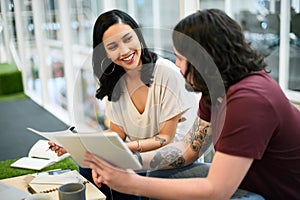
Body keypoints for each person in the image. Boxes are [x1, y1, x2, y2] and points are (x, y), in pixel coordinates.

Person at [84, 9, 300, 200]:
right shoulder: (216, 91)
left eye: (180, 58)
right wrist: (130, 160)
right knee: (159, 173)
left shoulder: (249, 101)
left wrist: (133, 184)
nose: (177, 65)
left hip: (274, 194)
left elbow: (216, 191)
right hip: (245, 183)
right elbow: (188, 149)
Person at [49, 9, 197, 200]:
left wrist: (125, 149)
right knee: (87, 164)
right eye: (113, 46)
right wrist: (76, 143)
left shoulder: (166, 73)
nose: (125, 51)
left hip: (172, 156)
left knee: (118, 168)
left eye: (128, 39)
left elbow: (166, 139)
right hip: (139, 154)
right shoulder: (116, 80)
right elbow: (117, 133)